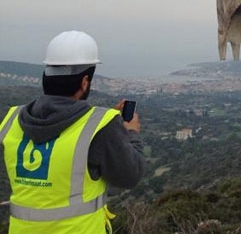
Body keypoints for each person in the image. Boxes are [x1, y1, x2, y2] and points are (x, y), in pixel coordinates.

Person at [0, 30, 146, 233]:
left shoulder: (11, 120)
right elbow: (130, 175)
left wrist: (101, 127)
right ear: (85, 81)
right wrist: (131, 133)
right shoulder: (101, 127)